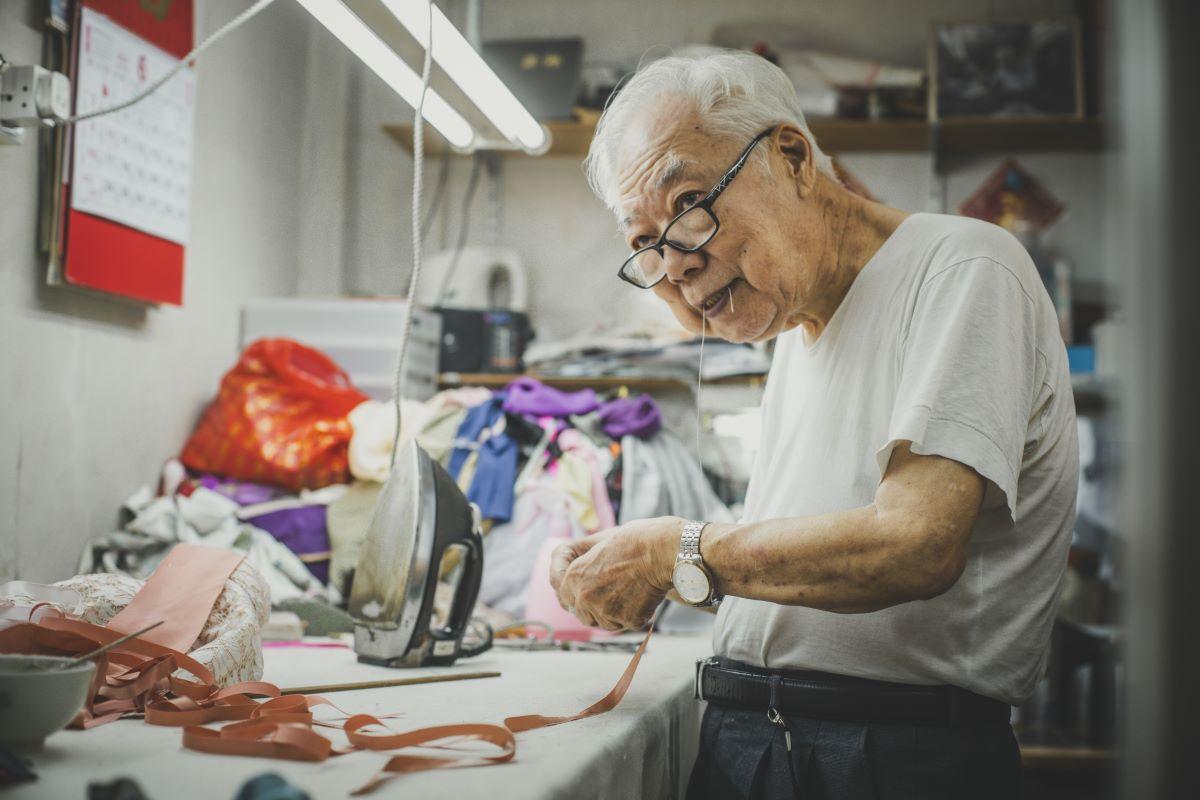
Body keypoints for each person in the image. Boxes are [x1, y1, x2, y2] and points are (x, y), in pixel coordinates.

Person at [549, 51, 1077, 799]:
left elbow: (914, 544)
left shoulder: (963, 267)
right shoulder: (797, 331)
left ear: (790, 156)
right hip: (764, 739)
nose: (678, 267)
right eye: (645, 245)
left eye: (688, 205)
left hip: (885, 752)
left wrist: (675, 553)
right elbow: (794, 576)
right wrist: (643, 568)